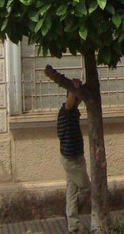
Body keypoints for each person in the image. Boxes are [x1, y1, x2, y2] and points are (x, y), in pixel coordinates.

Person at [45, 64, 90, 234]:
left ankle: (73, 227)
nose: (79, 100)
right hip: (71, 159)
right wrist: (73, 87)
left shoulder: (74, 112)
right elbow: (70, 102)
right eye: (76, 98)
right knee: (86, 188)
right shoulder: (66, 110)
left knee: (72, 190)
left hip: (77, 156)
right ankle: (72, 215)